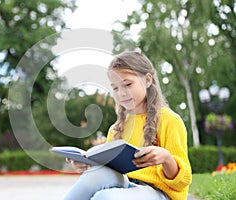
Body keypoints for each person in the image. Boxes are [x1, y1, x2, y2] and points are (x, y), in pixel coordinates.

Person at [63, 51, 192, 200]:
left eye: (127, 84)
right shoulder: (116, 129)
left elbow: (182, 182)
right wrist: (88, 166)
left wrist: (166, 158)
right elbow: (109, 172)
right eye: (115, 88)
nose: (121, 93)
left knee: (104, 197)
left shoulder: (170, 120)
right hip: (124, 185)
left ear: (148, 80)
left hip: (158, 193)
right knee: (96, 175)